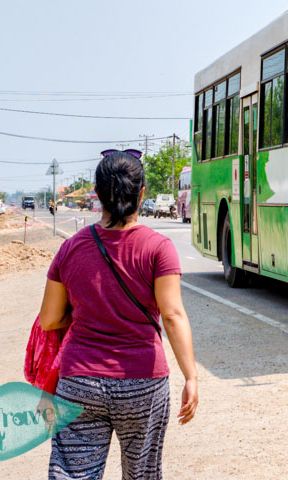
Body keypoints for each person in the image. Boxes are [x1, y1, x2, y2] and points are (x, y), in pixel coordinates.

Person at [40, 149, 198, 480]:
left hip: (79, 382)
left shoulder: (72, 248)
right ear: (142, 194)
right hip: (142, 381)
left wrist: (85, 310)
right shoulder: (159, 248)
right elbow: (172, 316)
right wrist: (191, 377)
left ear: (97, 195)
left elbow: (49, 320)